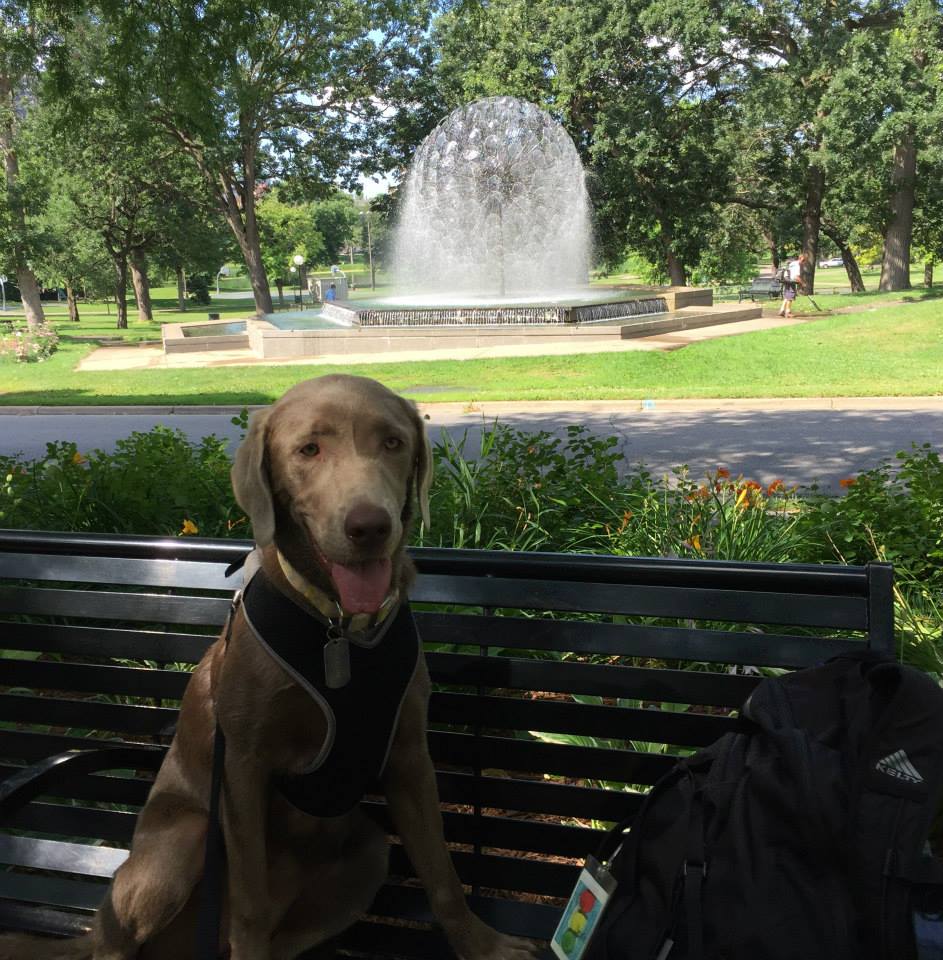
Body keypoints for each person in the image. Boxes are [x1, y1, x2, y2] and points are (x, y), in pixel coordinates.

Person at [778, 253, 806, 318]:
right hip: (790, 282)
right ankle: (788, 312)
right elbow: (796, 277)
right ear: (801, 259)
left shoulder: (792, 263)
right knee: (790, 297)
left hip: (786, 280)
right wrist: (802, 283)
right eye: (804, 261)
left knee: (786, 296)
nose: (803, 263)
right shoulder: (797, 265)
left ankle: (781, 310)